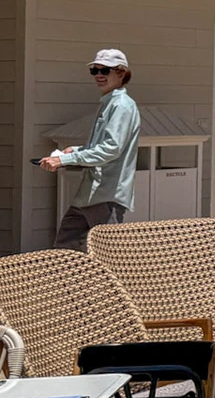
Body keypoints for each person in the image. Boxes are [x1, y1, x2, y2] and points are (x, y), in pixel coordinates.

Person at [42, 49, 141, 249]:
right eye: (94, 71)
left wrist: (64, 160)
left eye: (105, 70)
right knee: (66, 247)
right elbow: (103, 146)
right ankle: (68, 280)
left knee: (110, 256)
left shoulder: (121, 106)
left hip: (107, 196)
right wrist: (75, 150)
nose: (99, 76)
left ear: (121, 73)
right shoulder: (110, 103)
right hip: (90, 194)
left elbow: (111, 149)